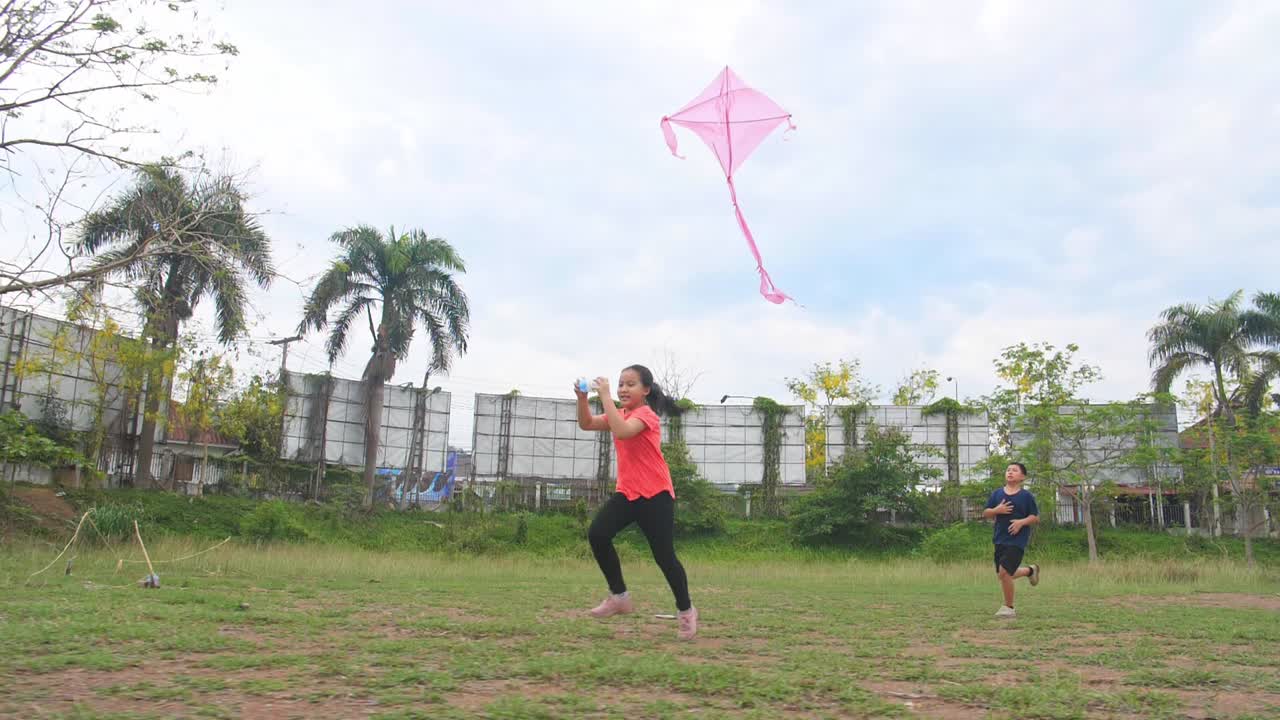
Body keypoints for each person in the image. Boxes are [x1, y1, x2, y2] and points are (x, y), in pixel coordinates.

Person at [575, 364, 697, 640]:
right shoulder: (622, 413)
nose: (623, 389)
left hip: (656, 496)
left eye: (630, 384)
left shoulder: (646, 416)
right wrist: (583, 400)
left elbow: (623, 431)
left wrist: (605, 394)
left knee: (664, 557)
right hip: (628, 493)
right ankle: (619, 597)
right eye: (620, 384)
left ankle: (686, 611)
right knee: (598, 534)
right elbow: (587, 424)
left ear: (645, 390)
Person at [982, 462, 1041, 618]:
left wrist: (1021, 522)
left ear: (1022, 477)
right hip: (999, 539)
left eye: (1014, 470)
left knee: (1004, 572)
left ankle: (1008, 608)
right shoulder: (997, 494)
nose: (1010, 472)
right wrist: (997, 510)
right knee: (1004, 575)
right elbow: (986, 513)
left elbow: (1035, 517)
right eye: (1008, 470)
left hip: (1017, 541)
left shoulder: (1026, 496)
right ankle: (1030, 570)